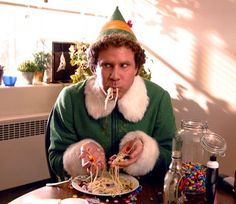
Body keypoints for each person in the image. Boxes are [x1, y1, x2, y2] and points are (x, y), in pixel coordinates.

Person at [48, 7, 176, 182]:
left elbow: (171, 157)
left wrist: (146, 152)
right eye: (107, 65)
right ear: (94, 68)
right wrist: (79, 154)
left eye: (124, 65)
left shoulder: (159, 98)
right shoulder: (69, 98)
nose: (115, 76)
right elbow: (55, 159)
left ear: (137, 68)